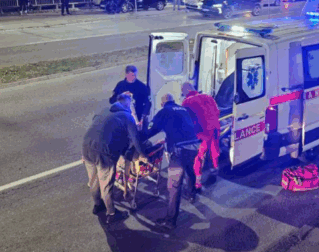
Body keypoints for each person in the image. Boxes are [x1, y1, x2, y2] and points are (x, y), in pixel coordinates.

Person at [82, 93, 148, 224]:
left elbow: (95, 123)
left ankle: (97, 205)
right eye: (131, 105)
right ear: (127, 104)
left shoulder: (104, 110)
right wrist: (142, 154)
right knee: (106, 184)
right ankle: (111, 213)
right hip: (103, 151)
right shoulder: (126, 116)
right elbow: (135, 138)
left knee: (93, 179)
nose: (131, 108)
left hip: (86, 146)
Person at [147, 93, 200, 230]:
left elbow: (151, 130)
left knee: (174, 185)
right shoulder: (183, 109)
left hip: (179, 150)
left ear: (162, 103)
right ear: (174, 100)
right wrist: (168, 138)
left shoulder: (164, 111)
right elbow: (184, 128)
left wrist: (139, 135)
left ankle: (170, 221)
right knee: (189, 170)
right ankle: (192, 194)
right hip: (194, 146)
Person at [181, 82, 220, 190]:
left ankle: (197, 183)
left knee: (198, 156)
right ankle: (214, 171)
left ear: (185, 92)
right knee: (214, 151)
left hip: (201, 133)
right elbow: (217, 112)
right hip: (214, 128)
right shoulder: (208, 97)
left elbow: (186, 120)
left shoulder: (186, 102)